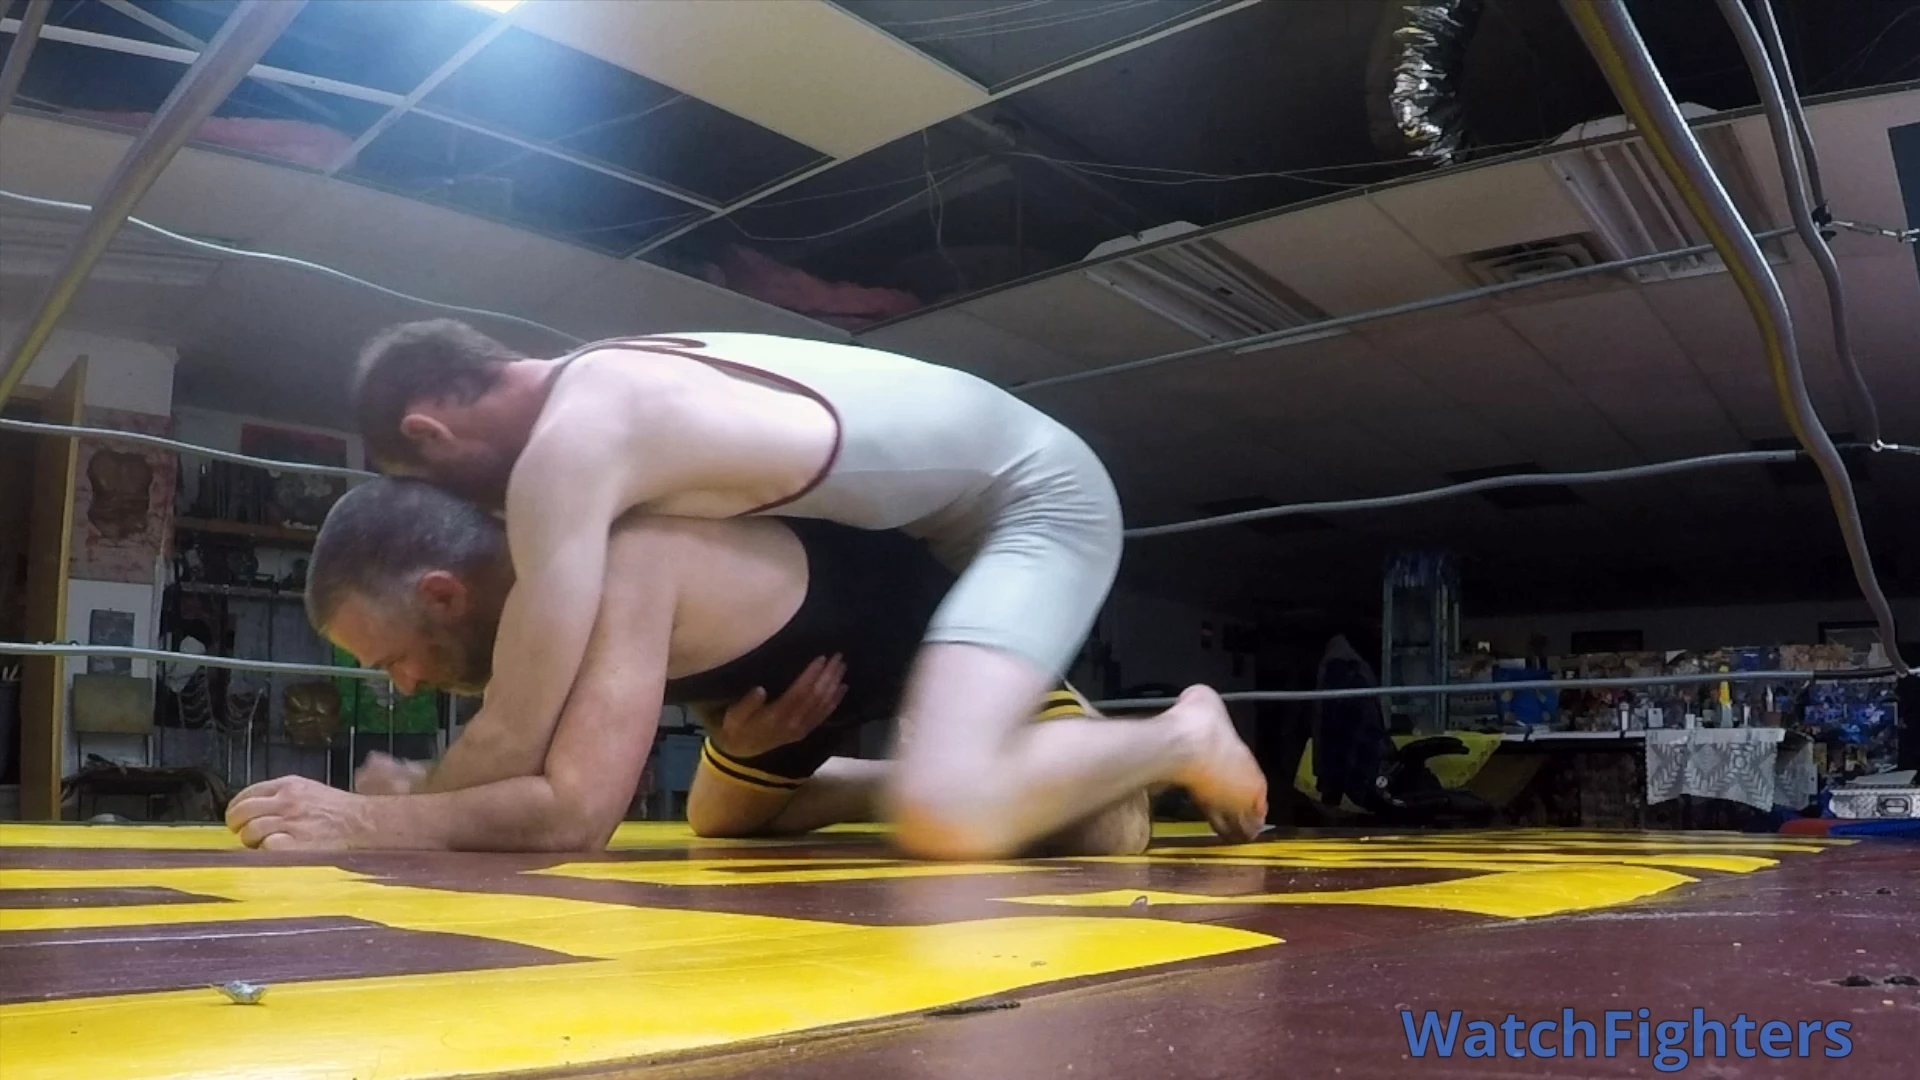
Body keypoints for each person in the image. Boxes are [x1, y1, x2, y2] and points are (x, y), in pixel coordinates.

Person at [347, 320, 1266, 856]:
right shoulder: (616, 375)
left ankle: (1183, 731)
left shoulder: (575, 445)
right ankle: (993, 759)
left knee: (948, 809)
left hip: (1036, 504)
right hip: (930, 539)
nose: (471, 512)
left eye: (436, 486)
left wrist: (387, 811)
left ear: (429, 431)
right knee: (732, 815)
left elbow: (520, 719)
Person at [224, 478, 1151, 854]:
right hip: (798, 702)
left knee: (1108, 836)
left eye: (393, 658)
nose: (403, 685)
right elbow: (524, 771)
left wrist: (367, 822)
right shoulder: (537, 621)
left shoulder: (618, 559)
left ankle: (1176, 734)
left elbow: (576, 815)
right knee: (722, 821)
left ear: (441, 595)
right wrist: (425, 791)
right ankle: (908, 784)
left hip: (943, 648)